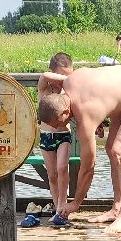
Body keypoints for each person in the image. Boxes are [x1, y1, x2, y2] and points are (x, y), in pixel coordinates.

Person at [36, 62, 121, 233]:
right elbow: (98, 93)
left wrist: (76, 203)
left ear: (66, 112)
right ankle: (116, 209)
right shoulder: (68, 83)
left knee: (119, 151)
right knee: (111, 149)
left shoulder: (85, 113)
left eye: (59, 123)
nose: (60, 127)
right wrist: (99, 118)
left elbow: (88, 167)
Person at [26, 53, 77, 228]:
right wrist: (67, 78)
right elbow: (44, 76)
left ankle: (63, 205)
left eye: (69, 75)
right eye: (62, 75)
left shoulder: (67, 92)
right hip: (46, 136)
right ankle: (57, 208)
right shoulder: (44, 89)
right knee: (52, 175)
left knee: (62, 168)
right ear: (54, 72)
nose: (65, 80)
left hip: (63, 135)